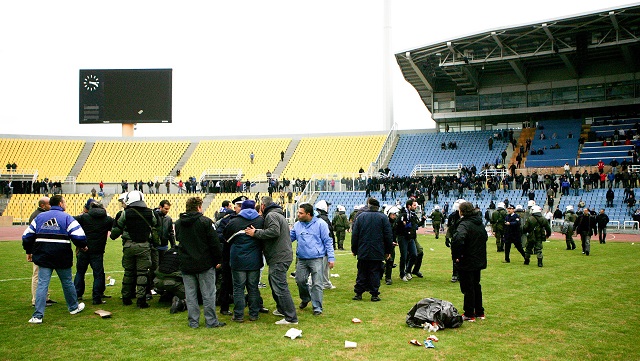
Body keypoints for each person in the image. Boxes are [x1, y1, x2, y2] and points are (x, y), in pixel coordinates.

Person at [22, 195, 88, 324]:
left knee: (42, 284)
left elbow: (27, 236)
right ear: (60, 204)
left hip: (44, 255)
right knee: (67, 282)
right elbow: (79, 236)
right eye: (64, 202)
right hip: (62, 255)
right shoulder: (67, 217)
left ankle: (38, 315)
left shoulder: (39, 218)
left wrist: (28, 250)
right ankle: (73, 307)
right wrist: (82, 246)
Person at [245, 196, 298, 325]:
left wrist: (255, 232)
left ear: (263, 206)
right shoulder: (277, 214)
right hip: (282, 255)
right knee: (274, 281)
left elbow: (274, 231)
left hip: (279, 256)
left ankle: (291, 317)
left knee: (280, 286)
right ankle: (281, 309)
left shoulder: (271, 216)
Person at [175, 197, 225, 328]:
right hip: (205, 263)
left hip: (187, 263)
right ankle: (211, 321)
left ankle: (193, 322)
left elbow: (178, 239)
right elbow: (214, 243)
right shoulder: (205, 222)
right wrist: (218, 259)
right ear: (198, 207)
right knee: (208, 294)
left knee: (190, 295)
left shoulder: (179, 223)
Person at [110, 190, 157, 308]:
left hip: (129, 245)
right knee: (142, 273)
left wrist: (113, 235)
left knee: (128, 272)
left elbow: (117, 229)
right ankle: (141, 300)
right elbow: (155, 224)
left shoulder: (125, 213)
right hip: (144, 246)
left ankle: (126, 297)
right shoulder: (150, 213)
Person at [290, 203, 335, 316]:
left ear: (308, 214)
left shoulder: (321, 224)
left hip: (316, 258)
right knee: (300, 280)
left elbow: (328, 241)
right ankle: (305, 298)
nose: (298, 215)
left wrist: (331, 257)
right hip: (302, 258)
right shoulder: (297, 225)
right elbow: (289, 238)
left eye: (301, 213)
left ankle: (317, 307)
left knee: (317, 283)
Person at [224, 199, 264, 322]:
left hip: (238, 259)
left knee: (238, 288)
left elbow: (226, 237)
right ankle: (254, 314)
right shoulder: (260, 221)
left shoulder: (234, 221)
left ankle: (239, 315)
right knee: (253, 288)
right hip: (255, 259)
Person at [451, 201, 487, 322]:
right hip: (478, 258)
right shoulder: (479, 223)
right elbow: (485, 237)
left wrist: (457, 255)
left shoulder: (464, 224)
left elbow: (458, 239)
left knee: (468, 287)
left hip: (467, 259)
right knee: (476, 285)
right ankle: (479, 311)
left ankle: (469, 312)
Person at [351, 198, 393, 302]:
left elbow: (355, 235)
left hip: (363, 249)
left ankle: (358, 293)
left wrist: (354, 249)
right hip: (377, 250)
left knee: (361, 271)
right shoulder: (383, 218)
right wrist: (388, 251)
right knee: (375, 272)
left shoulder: (361, 217)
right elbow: (388, 236)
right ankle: (374, 294)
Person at [73, 200, 113, 305]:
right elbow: (115, 229)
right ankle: (97, 297)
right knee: (98, 274)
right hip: (98, 250)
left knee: (80, 272)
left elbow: (70, 221)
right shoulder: (107, 219)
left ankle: (77, 295)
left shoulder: (84, 217)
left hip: (84, 248)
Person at [27, 196, 56, 307]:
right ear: (43, 205)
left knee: (43, 275)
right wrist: (29, 251)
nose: (51, 206)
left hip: (41, 249)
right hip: (38, 249)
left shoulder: (40, 215)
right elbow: (30, 235)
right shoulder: (38, 216)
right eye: (49, 204)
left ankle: (45, 297)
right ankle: (36, 300)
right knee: (38, 275)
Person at [148, 200, 176, 299]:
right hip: (154, 246)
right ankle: (150, 287)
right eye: (165, 209)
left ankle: (160, 287)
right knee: (154, 267)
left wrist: (173, 245)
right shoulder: (153, 216)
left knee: (163, 267)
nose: (167, 211)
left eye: (168, 209)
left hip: (164, 246)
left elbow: (170, 233)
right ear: (160, 207)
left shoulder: (168, 219)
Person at [153, 246, 187, 314]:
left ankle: (167, 295)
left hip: (157, 282)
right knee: (194, 296)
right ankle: (181, 303)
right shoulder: (187, 253)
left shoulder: (169, 251)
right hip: (172, 283)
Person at [398, 199, 426, 281]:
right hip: (403, 236)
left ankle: (408, 271)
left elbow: (416, 225)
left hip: (411, 237)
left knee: (414, 254)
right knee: (404, 255)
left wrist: (423, 220)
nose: (416, 207)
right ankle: (402, 273)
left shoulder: (412, 215)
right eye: (414, 205)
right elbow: (399, 226)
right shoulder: (403, 214)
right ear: (409, 206)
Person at [314, 200, 336, 290]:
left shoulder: (319, 218)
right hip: (323, 246)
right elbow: (329, 234)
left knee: (324, 267)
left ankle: (326, 283)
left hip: (320, 245)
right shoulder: (324, 219)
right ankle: (314, 283)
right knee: (320, 267)